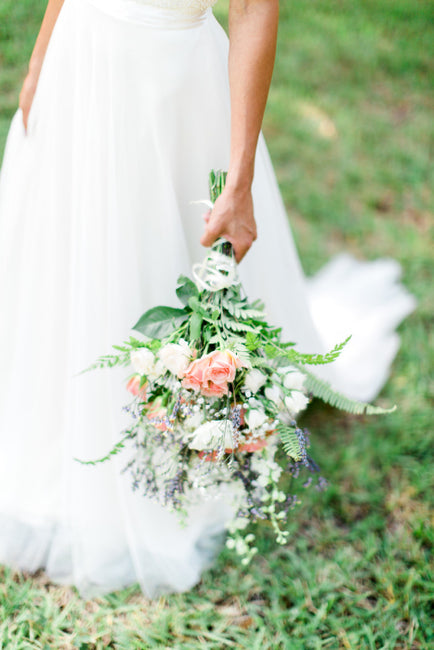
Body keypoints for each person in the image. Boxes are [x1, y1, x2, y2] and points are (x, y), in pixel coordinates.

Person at [0, 0, 415, 599]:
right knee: (64, 249)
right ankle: (50, 429)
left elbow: (251, 7)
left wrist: (239, 179)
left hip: (167, 81)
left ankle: (142, 448)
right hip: (79, 55)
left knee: (150, 254)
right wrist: (41, 59)